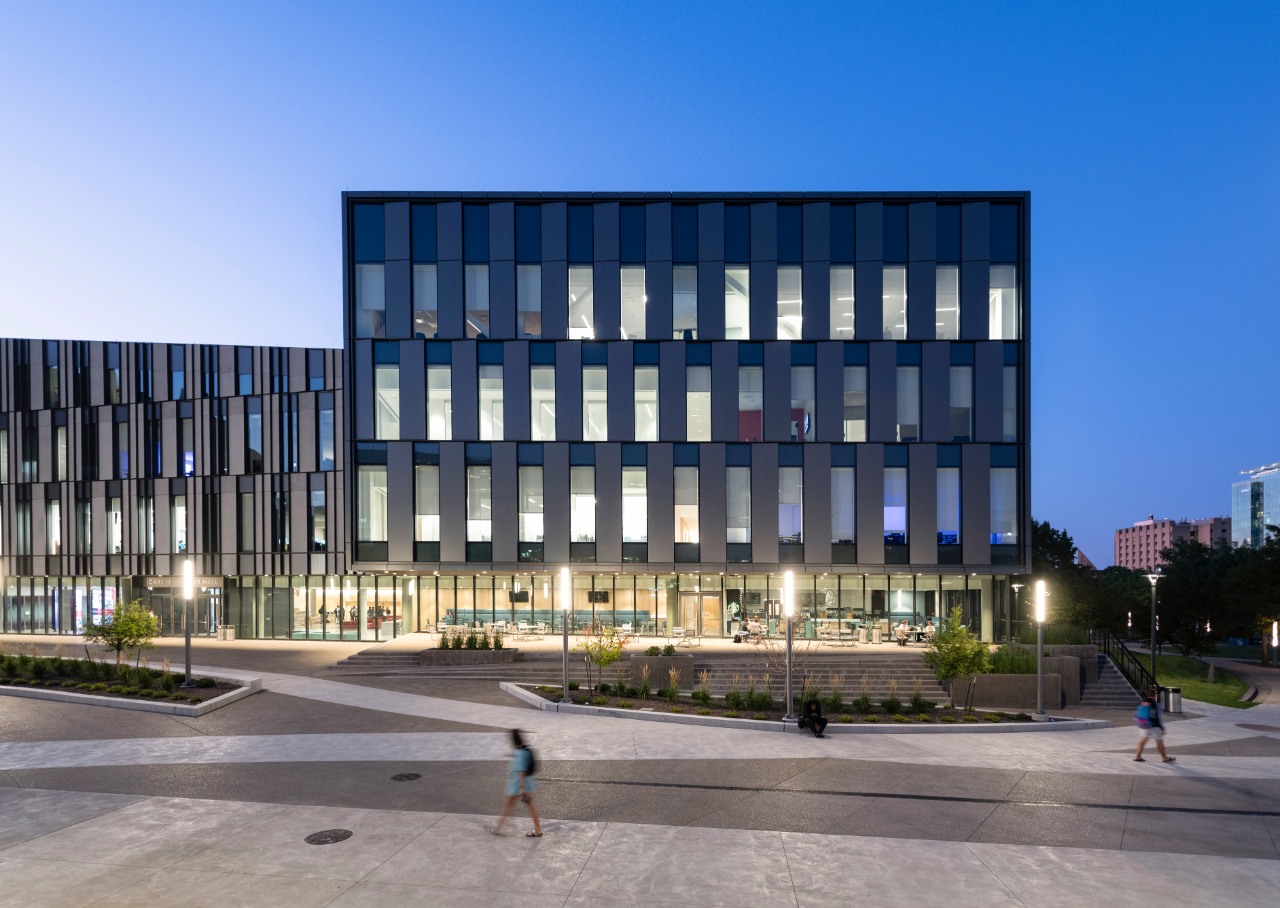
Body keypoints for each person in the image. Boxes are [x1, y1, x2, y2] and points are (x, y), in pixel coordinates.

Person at [492, 729, 544, 836]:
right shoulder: (524, 750)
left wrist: (521, 789)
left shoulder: (519, 753)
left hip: (518, 785)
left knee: (509, 805)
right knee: (529, 806)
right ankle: (537, 829)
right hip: (526, 784)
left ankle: (497, 828)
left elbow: (522, 771)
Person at [1134, 692, 1174, 763]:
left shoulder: (1143, 702)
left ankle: (1138, 756)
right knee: (1159, 741)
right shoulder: (1156, 704)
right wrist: (1161, 728)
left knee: (1143, 740)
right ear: (1155, 696)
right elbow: (1158, 717)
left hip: (1144, 724)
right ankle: (1164, 758)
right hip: (1154, 725)